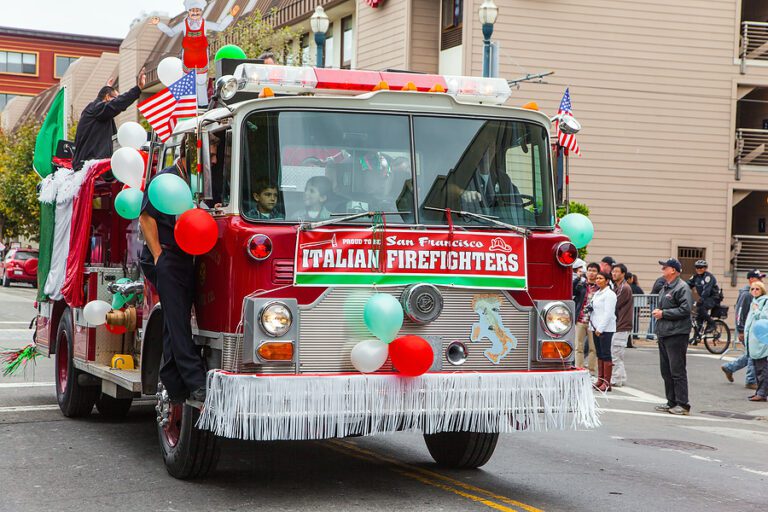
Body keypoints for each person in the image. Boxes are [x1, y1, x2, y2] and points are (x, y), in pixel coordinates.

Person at [139, 135, 207, 403]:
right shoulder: (166, 179)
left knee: (172, 320)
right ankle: (196, 383)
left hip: (184, 257)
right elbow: (145, 218)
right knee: (179, 321)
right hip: (166, 255)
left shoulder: (199, 179)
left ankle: (172, 381)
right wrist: (159, 257)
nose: (212, 158)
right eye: (208, 151)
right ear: (188, 154)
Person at [151, 0, 240, 106]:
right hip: (188, 58)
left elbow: (219, 27)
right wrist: (159, 24)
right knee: (188, 84)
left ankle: (202, 104)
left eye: (197, 11)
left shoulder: (204, 23)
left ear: (201, 11)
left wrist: (230, 16)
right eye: (193, 11)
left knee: (201, 83)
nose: (195, 13)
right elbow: (171, 32)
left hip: (201, 57)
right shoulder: (184, 24)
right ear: (189, 11)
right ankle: (187, 105)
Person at [71, 69, 147, 171]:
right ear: (107, 97)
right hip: (91, 167)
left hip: (87, 165)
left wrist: (106, 88)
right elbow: (116, 104)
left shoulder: (95, 110)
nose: (117, 99)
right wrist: (138, 89)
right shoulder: (97, 109)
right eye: (116, 97)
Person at [653, 258, 693, 415]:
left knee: (677, 370)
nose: (662, 269)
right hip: (665, 332)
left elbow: (686, 309)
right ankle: (671, 401)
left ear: (673, 271)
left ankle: (683, 404)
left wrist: (664, 313)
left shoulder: (682, 287)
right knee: (666, 370)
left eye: (665, 267)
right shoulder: (666, 287)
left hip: (676, 333)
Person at [722, 269, 764, 389]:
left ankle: (730, 367)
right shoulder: (746, 294)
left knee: (751, 354)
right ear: (751, 279)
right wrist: (740, 330)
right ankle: (751, 380)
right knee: (753, 355)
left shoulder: (755, 294)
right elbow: (740, 313)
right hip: (747, 330)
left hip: (754, 329)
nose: (761, 280)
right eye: (759, 278)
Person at [589, 271, 616, 391]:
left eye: (601, 278)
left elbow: (608, 313)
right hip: (595, 326)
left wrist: (601, 328)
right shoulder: (597, 293)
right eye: (597, 278)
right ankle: (600, 379)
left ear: (607, 280)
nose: (598, 280)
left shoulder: (609, 294)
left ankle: (607, 382)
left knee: (605, 354)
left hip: (605, 328)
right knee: (599, 353)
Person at [574, 262, 599, 376]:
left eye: (594, 271)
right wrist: (578, 278)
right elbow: (571, 290)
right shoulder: (582, 285)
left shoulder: (600, 288)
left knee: (593, 348)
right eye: (589, 270)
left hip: (593, 322)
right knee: (578, 347)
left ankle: (591, 371)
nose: (591, 273)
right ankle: (578, 369)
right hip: (580, 319)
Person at [744, 281, 768, 401]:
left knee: (762, 369)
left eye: (757, 289)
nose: (754, 291)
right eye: (752, 289)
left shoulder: (765, 301)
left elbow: (765, 317)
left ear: (762, 290)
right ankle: (759, 391)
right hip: (753, 341)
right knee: (756, 368)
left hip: (761, 341)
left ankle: (762, 393)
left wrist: (757, 310)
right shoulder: (754, 301)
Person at [611, 263, 633, 385]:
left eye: (617, 272)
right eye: (613, 271)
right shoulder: (616, 287)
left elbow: (614, 303)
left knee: (616, 353)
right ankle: (621, 378)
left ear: (623, 274)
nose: (614, 274)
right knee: (615, 352)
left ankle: (617, 379)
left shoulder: (624, 288)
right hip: (618, 324)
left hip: (622, 324)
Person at [687, 259, 718, 341]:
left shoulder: (708, 277)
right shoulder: (695, 277)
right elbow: (687, 285)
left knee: (701, 309)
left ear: (705, 268)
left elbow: (706, 290)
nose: (699, 269)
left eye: (701, 267)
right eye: (697, 267)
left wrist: (701, 299)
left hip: (713, 297)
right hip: (704, 298)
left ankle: (712, 324)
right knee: (698, 317)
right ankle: (696, 337)